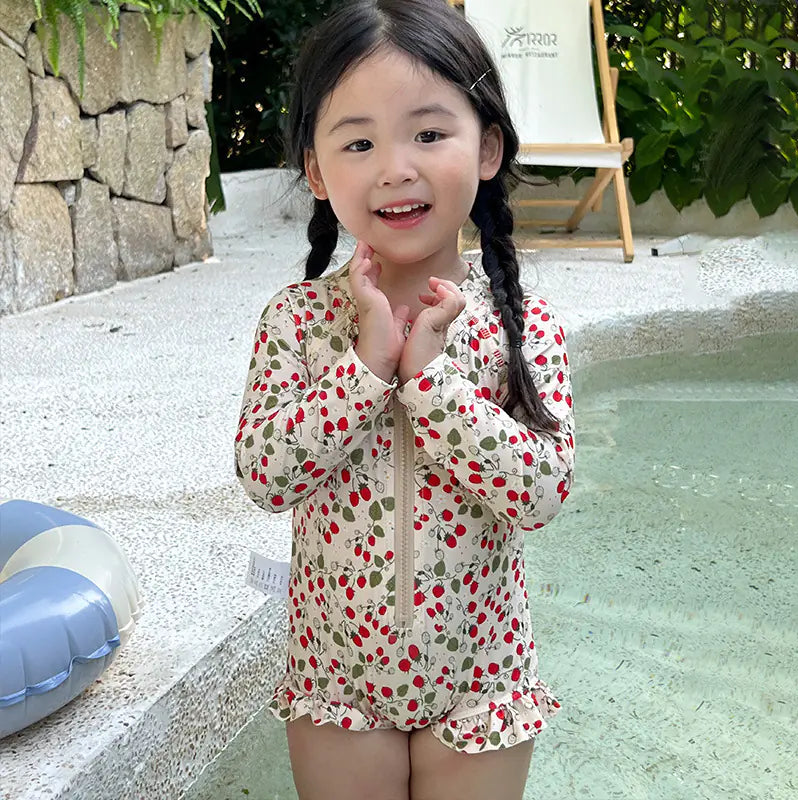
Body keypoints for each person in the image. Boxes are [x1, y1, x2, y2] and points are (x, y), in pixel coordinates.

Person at [234, 1, 575, 798]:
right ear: (318, 172)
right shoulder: (298, 322)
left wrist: (431, 383)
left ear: (486, 147)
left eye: (428, 133)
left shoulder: (518, 326)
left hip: (481, 674)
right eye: (359, 143)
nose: (394, 167)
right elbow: (265, 476)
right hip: (338, 679)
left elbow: (542, 491)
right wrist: (364, 368)